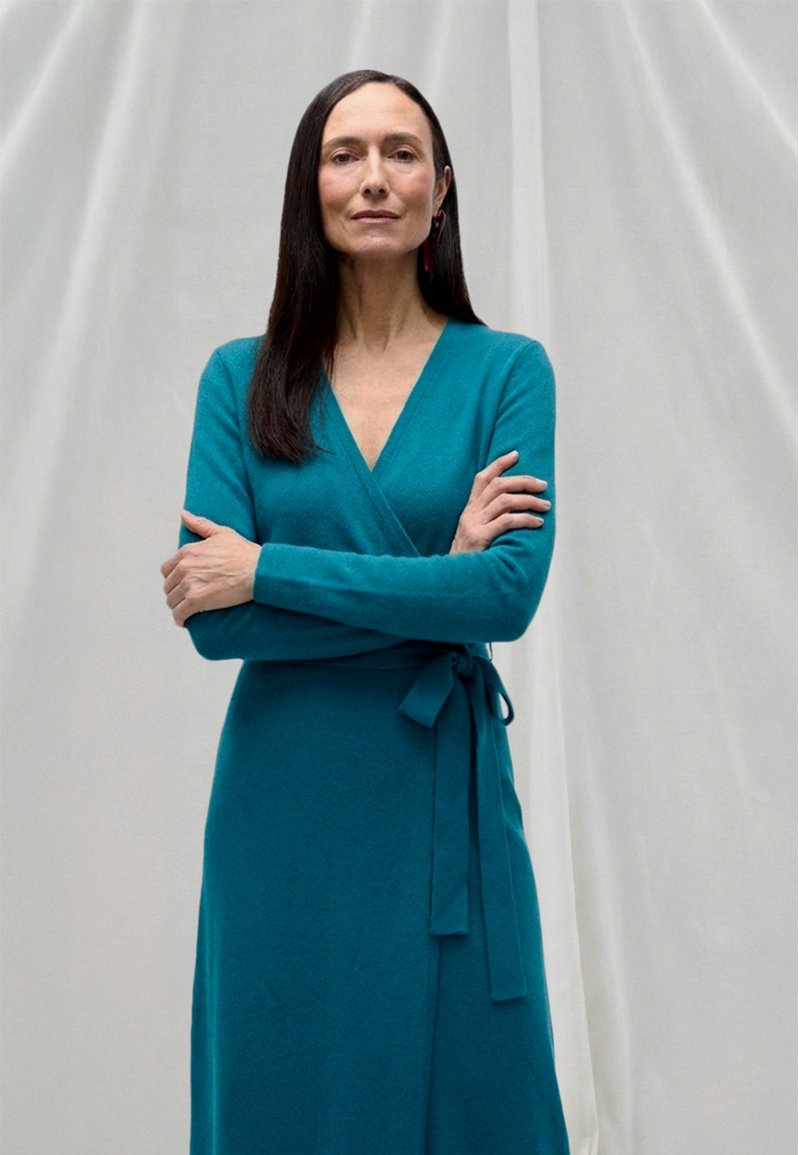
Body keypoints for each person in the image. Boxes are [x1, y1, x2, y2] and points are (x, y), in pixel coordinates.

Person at [161, 69, 570, 1155]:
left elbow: (506, 596)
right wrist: (436, 580)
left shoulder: (506, 372)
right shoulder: (238, 380)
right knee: (279, 1081)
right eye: (345, 154)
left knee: (481, 1094)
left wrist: (271, 569)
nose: (373, 177)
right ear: (311, 188)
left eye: (401, 153)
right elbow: (214, 620)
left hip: (442, 801)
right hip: (282, 805)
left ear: (442, 190)